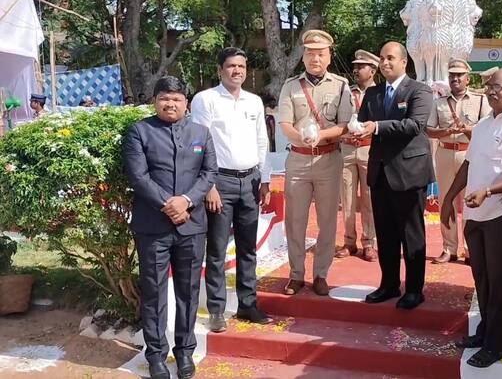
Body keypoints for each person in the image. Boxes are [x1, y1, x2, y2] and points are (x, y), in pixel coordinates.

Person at [441, 68, 502, 368]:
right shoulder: (484, 125)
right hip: (475, 213)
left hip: (500, 214)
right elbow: (469, 164)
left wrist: (489, 190)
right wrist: (448, 199)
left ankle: (496, 345)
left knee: (498, 282)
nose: (490, 91)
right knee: (481, 277)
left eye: (497, 87)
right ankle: (485, 331)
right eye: (489, 87)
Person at [123, 76, 217, 379]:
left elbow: (209, 171)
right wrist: (170, 204)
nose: (170, 103)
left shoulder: (201, 132)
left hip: (192, 226)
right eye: (164, 97)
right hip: (153, 227)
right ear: (155, 101)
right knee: (154, 292)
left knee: (189, 292)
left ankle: (185, 351)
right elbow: (138, 176)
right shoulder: (140, 131)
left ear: (186, 102)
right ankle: (156, 355)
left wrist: (187, 201)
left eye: (176, 98)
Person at [191, 47, 272, 333]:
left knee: (248, 248)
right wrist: (208, 185)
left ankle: (248, 304)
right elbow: (198, 144)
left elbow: (262, 140)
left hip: (250, 181)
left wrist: (265, 179)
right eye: (231, 66)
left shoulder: (254, 101)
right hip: (220, 183)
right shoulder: (206, 100)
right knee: (216, 249)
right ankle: (216, 309)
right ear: (219, 70)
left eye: (241, 66)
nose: (237, 71)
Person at [352, 41, 434, 310]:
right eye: (382, 58)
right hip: (380, 173)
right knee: (385, 233)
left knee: (411, 233)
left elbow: (414, 125)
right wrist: (355, 131)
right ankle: (388, 284)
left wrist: (375, 127)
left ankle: (413, 289)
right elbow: (361, 122)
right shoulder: (373, 93)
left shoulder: (419, 91)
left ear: (403, 62)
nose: (385, 63)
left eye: (390, 58)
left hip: (409, 173)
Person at [277, 30, 352, 296]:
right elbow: (285, 123)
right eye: (310, 53)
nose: (315, 58)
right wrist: (301, 138)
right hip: (297, 158)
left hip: (328, 159)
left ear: (329, 56)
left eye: (320, 54)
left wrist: (319, 135)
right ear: (303, 57)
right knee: (295, 220)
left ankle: (321, 273)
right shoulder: (291, 85)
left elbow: (344, 125)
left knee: (327, 220)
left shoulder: (341, 85)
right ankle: (296, 273)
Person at [426, 58, 490, 264]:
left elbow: (488, 129)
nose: (455, 78)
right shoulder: (439, 103)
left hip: (468, 154)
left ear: (467, 78)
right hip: (445, 153)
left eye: (459, 75)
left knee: (469, 201)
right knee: (446, 200)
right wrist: (445, 131)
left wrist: (467, 130)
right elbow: (428, 129)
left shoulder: (480, 101)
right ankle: (449, 247)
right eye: (452, 75)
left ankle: (469, 249)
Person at [335, 49, 379, 261]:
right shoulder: (346, 92)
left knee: (370, 198)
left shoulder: (380, 92)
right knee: (348, 198)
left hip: (369, 149)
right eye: (355, 66)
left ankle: (369, 242)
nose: (356, 70)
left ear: (372, 70)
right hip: (347, 148)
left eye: (361, 66)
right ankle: (349, 241)